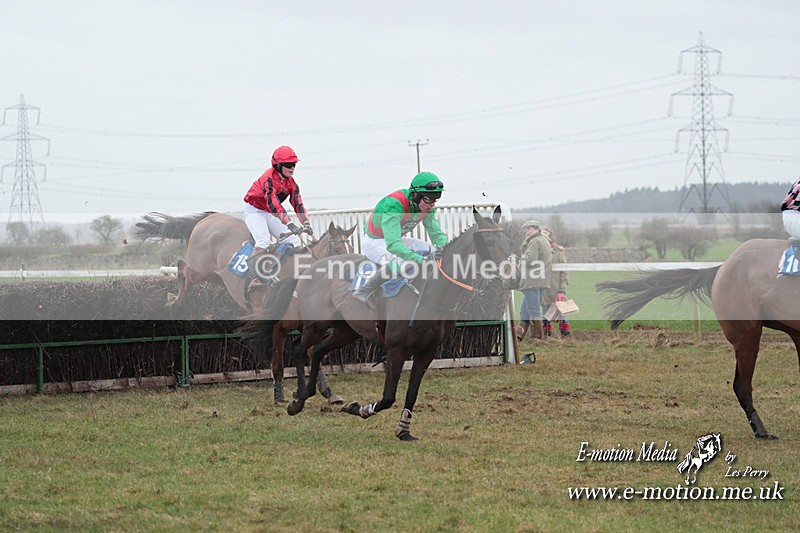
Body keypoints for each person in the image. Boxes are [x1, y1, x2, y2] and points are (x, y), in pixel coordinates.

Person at [351, 172, 448, 304]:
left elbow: (436, 234)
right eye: (428, 199)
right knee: (402, 261)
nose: (432, 204)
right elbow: (393, 244)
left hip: (395, 239)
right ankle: (364, 290)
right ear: (415, 195)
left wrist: (443, 246)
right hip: (375, 242)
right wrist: (418, 258)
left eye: (435, 199)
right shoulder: (394, 205)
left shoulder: (427, 207)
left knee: (431, 249)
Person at [243, 146, 312, 269]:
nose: (292, 168)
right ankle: (253, 278)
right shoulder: (268, 178)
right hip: (255, 212)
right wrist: (290, 223)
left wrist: (306, 223)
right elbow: (274, 205)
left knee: (294, 241)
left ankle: (295, 274)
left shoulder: (291, 183)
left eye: (294, 164)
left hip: (269, 213)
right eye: (289, 164)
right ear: (278, 166)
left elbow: (298, 204)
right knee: (263, 242)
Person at [517, 220, 552, 354]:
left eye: (529, 228)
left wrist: (520, 259)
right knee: (524, 311)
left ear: (536, 229)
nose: (526, 231)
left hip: (532, 281)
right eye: (526, 228)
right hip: (540, 280)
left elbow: (530, 260)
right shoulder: (544, 240)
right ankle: (519, 336)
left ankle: (538, 337)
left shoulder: (534, 242)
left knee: (534, 310)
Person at [540, 226, 570, 338]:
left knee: (562, 313)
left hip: (556, 288)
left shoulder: (559, 252)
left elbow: (564, 272)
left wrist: (562, 290)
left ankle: (565, 336)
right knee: (545, 313)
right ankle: (547, 335)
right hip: (543, 289)